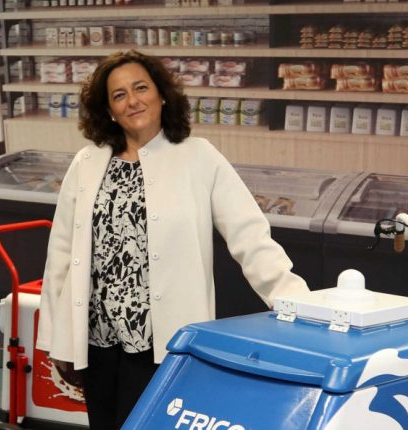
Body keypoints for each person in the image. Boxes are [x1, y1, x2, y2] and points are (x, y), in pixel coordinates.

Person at [35, 50, 309, 429]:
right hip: (98, 341)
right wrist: (55, 336)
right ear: (109, 110)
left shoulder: (198, 157)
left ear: (162, 94)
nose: (132, 101)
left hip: (163, 344)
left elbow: (250, 237)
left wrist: (300, 306)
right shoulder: (87, 162)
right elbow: (62, 254)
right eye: (119, 95)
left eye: (141, 88)